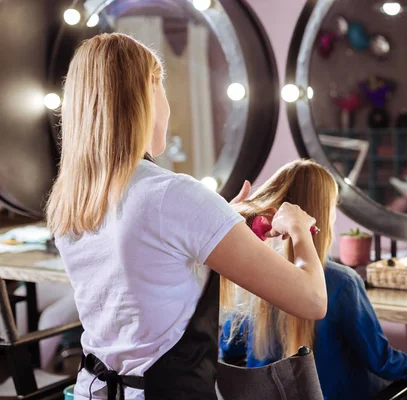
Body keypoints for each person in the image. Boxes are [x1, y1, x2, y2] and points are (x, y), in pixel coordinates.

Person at [45, 33, 328, 400]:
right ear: (146, 94)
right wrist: (299, 228)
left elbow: (153, 270)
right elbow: (312, 300)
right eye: (160, 86)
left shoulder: (73, 197)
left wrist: (221, 221)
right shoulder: (171, 195)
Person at [219, 159, 407, 400]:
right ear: (320, 216)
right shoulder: (342, 283)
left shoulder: (251, 277)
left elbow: (229, 352)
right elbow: (382, 360)